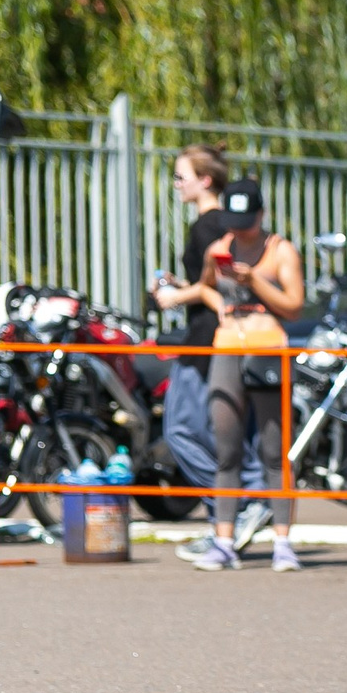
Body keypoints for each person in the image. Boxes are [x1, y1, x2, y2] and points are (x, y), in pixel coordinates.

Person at [149, 145, 271, 562]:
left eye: (181, 176)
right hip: (212, 337)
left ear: (205, 180)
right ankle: (232, 515)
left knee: (182, 430)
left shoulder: (210, 226)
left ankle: (247, 502)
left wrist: (173, 296)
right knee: (215, 431)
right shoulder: (217, 226)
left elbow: (217, 287)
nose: (176, 184)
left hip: (207, 340)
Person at [189, 179, 304, 571]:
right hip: (227, 348)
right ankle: (223, 542)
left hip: (267, 348)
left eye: (246, 222)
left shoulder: (281, 250)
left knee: (274, 449)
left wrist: (254, 281)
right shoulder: (219, 248)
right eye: (233, 221)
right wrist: (218, 300)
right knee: (227, 447)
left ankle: (283, 543)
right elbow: (203, 286)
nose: (239, 230)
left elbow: (294, 306)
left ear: (261, 215)